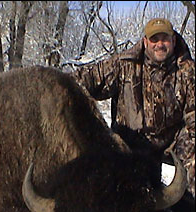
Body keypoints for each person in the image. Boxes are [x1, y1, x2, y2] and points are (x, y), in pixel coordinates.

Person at [72, 18, 195, 199]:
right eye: (154, 39)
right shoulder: (123, 65)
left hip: (173, 144)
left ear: (173, 41)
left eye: (164, 39)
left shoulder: (188, 71)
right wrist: (51, 85)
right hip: (128, 144)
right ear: (145, 42)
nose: (159, 44)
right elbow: (82, 81)